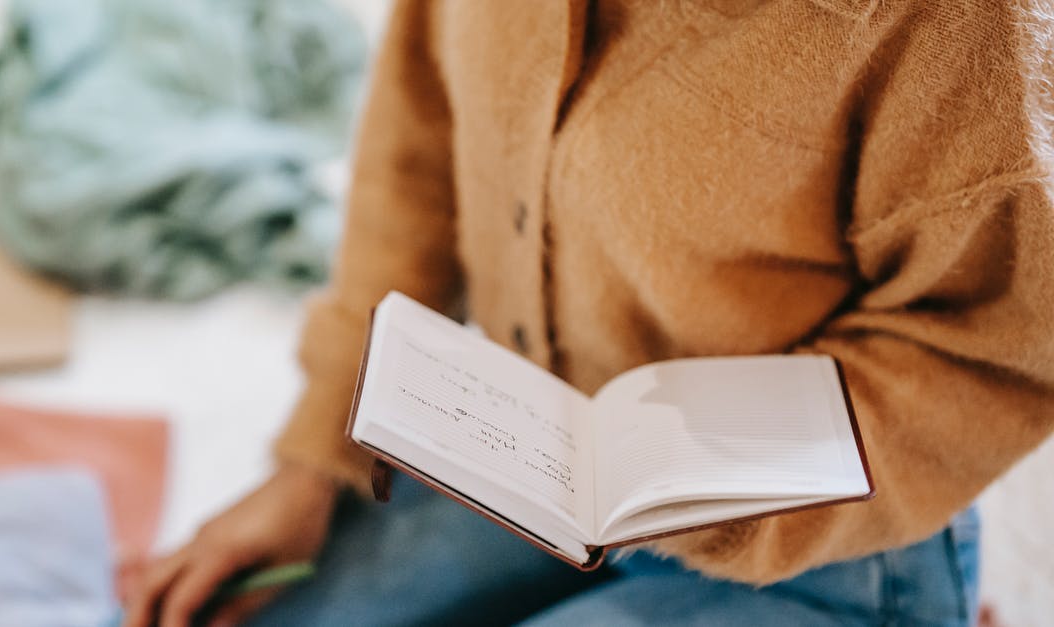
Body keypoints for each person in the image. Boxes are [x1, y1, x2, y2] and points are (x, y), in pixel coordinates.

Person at [126, 0, 1054, 625]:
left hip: (832, 543)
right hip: (533, 446)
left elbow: (999, 350)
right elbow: (418, 139)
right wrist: (316, 450)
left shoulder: (957, 32)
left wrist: (691, 488)